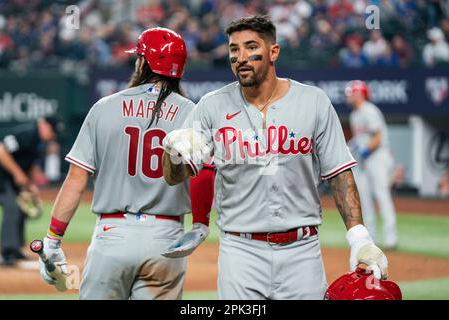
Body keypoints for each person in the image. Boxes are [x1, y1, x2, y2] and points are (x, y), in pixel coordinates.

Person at [162, 15, 389, 300]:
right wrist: (173, 153)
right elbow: (175, 177)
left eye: (250, 47)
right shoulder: (211, 105)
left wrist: (359, 238)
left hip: (302, 251)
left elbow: (339, 172)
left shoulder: (313, 102)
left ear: (273, 51)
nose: (240, 57)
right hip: (240, 252)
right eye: (234, 49)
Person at [37, 27, 214, 300]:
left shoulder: (105, 107)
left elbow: (76, 179)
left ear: (144, 62)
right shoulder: (194, 113)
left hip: (113, 234)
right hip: (166, 238)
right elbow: (206, 175)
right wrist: (201, 223)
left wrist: (53, 239)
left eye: (139, 57)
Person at [0, 116, 61, 266]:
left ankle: (15, 249)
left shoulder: (40, 143)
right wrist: (17, 173)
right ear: (43, 125)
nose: (52, 135)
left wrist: (30, 186)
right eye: (52, 131)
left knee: (20, 207)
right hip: (1, 178)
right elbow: (1, 151)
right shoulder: (27, 134)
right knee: (12, 206)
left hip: (8, 179)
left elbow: (31, 165)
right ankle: (7, 253)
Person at [345, 80, 398, 250]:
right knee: (364, 198)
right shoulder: (355, 115)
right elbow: (360, 139)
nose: (349, 96)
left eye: (351, 93)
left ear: (360, 93)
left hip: (378, 156)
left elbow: (378, 137)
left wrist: (364, 151)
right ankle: (371, 238)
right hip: (364, 159)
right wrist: (351, 148)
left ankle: (391, 238)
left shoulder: (369, 110)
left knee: (381, 195)